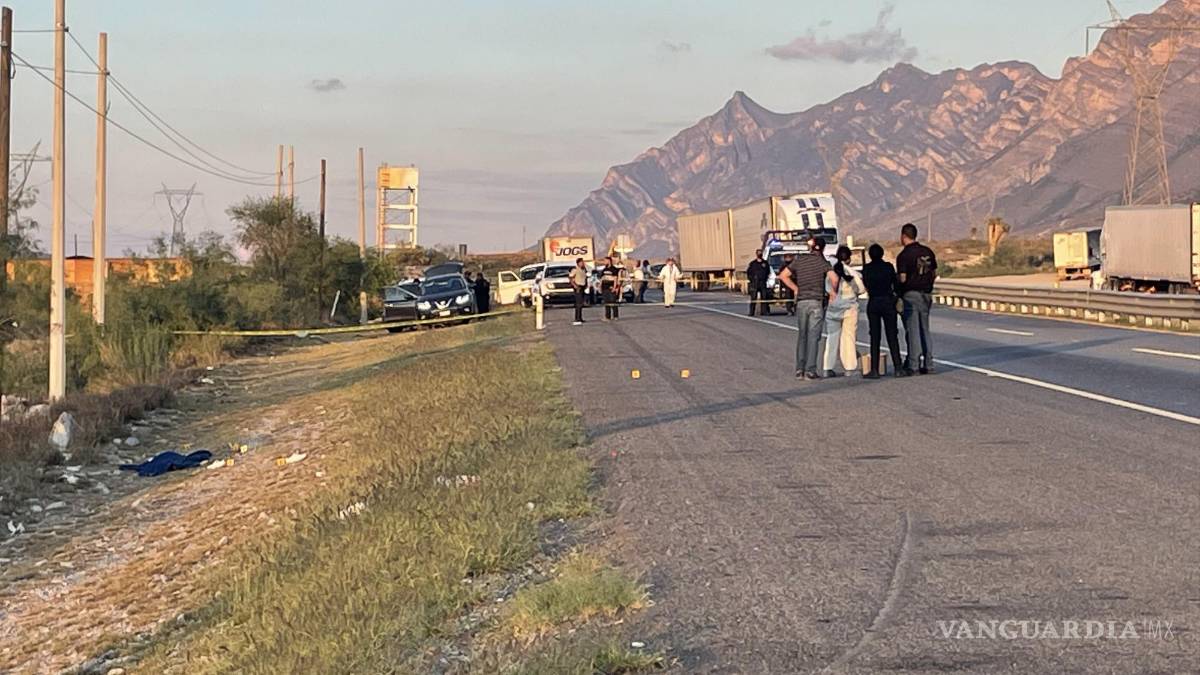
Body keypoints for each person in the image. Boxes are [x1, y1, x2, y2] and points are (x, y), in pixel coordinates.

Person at [779, 237, 831, 380]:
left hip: (802, 301)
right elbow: (834, 278)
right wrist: (832, 293)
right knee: (813, 337)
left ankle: (799, 369)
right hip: (816, 301)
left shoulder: (800, 260)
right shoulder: (822, 262)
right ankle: (810, 370)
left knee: (802, 335)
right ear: (823, 248)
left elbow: (783, 276)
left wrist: (796, 289)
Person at [896, 223, 938, 375]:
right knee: (924, 329)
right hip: (926, 294)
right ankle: (929, 363)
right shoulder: (928, 251)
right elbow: (933, 272)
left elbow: (902, 278)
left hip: (911, 294)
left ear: (903, 236)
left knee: (913, 330)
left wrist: (899, 294)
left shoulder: (904, 256)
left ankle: (913, 364)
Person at [860, 244, 905, 379]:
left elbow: (866, 285)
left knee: (875, 336)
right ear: (882, 254)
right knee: (892, 335)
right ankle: (898, 367)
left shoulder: (866, 269)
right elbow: (896, 284)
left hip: (874, 302)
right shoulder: (888, 267)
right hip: (887, 301)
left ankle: (874, 369)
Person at [821, 245, 863, 377]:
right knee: (848, 337)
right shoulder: (853, 273)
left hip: (833, 308)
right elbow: (861, 289)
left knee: (832, 337)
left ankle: (827, 367)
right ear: (849, 259)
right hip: (849, 308)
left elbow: (827, 289)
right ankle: (849, 367)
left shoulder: (831, 272)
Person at [746, 249, 771, 316]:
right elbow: (748, 273)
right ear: (756, 254)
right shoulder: (753, 263)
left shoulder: (765, 263)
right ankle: (751, 312)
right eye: (759, 253)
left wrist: (765, 278)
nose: (760, 254)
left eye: (761, 253)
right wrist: (752, 280)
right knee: (753, 298)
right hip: (755, 283)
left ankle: (764, 311)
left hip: (763, 282)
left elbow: (768, 272)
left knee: (764, 298)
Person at [599, 256, 623, 321]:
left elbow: (615, 279)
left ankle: (615, 316)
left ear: (609, 261)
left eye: (605, 260)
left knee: (613, 302)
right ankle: (607, 316)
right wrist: (600, 286)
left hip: (611, 287)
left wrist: (615, 287)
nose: (604, 262)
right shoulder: (604, 269)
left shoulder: (614, 269)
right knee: (606, 302)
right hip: (604, 287)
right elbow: (601, 279)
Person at [569, 257, 588, 325]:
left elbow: (585, 278)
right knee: (578, 303)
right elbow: (571, 278)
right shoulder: (575, 270)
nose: (583, 263)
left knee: (581, 303)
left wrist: (586, 285)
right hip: (578, 287)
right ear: (578, 263)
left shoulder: (584, 269)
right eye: (582, 262)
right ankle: (577, 318)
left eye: (583, 262)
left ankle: (580, 317)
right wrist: (575, 285)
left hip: (583, 287)